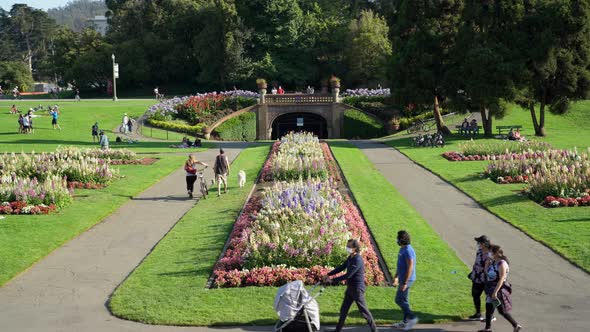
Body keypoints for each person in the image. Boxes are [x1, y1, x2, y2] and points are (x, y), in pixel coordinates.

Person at [323, 239, 377, 332]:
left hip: (357, 289)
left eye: (349, 246)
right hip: (350, 289)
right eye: (347, 246)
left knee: (364, 312)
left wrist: (332, 280)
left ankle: (375, 330)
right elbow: (342, 267)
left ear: (355, 248)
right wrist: (328, 274)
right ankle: (337, 330)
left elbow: (348, 275)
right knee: (343, 310)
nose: (347, 248)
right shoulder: (350, 257)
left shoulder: (357, 260)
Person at [479, 245, 522, 332]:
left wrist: (495, 292)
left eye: (491, 252)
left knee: (499, 310)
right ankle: (488, 328)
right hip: (491, 289)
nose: (489, 254)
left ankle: (515, 325)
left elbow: (502, 279)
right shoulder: (494, 262)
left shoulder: (502, 263)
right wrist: (487, 264)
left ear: (497, 253)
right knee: (492, 309)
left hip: (497, 290)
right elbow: (488, 274)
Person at [392, 230, 419, 330]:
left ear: (402, 240)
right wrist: (396, 277)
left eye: (398, 238)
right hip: (403, 279)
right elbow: (400, 265)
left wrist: (404, 282)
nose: (396, 240)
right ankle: (405, 322)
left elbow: (410, 267)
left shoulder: (408, 250)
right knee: (404, 301)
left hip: (407, 280)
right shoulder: (402, 249)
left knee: (398, 300)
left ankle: (412, 318)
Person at [468, 235, 493, 321]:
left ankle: (490, 316)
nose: (478, 244)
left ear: (484, 243)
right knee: (475, 295)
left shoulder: (491, 254)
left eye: (479, 243)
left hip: (486, 279)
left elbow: (491, 267)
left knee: (489, 298)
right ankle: (478, 313)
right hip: (477, 277)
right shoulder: (479, 251)